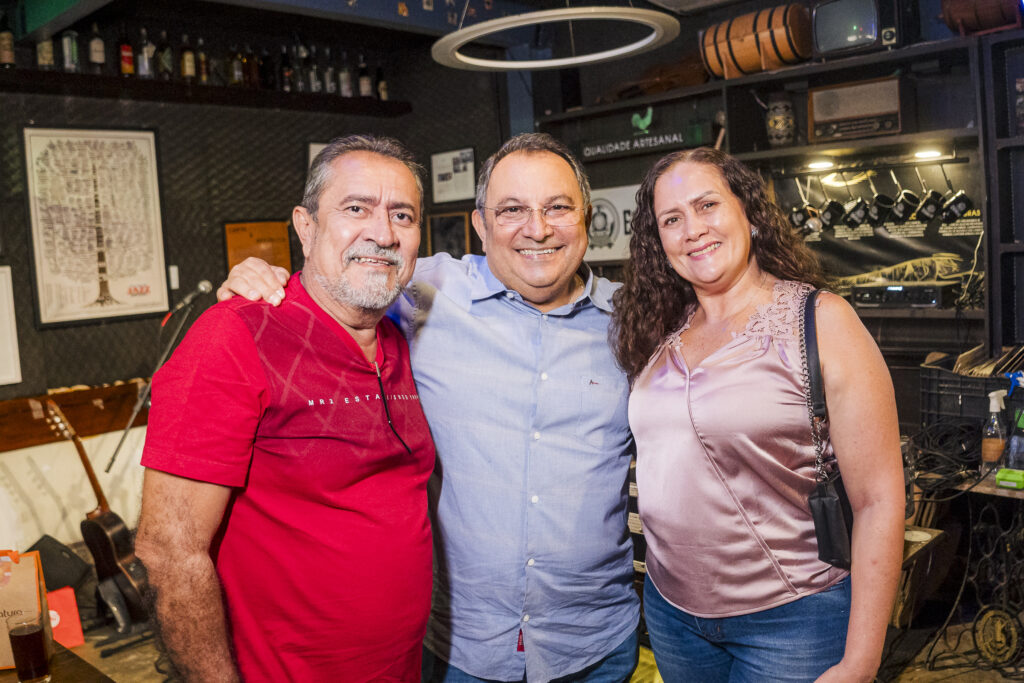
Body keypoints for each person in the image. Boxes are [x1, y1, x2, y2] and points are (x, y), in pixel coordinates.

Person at [220, 133, 640, 683]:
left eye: (557, 207)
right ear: (480, 225)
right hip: (461, 648)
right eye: (511, 210)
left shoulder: (634, 323)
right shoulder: (421, 293)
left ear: (586, 218)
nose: (537, 228)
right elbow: (339, 278)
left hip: (594, 644)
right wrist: (260, 277)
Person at [135, 135, 436, 682]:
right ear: (305, 226)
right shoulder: (234, 335)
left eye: (403, 215)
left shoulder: (403, 333)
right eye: (356, 208)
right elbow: (168, 551)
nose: (383, 233)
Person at [611, 147, 904, 682]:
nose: (692, 229)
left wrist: (862, 658)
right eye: (671, 220)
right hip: (672, 614)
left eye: (707, 206)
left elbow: (879, 500)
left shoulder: (820, 321)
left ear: (747, 210)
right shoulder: (655, 329)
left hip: (792, 619)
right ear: (659, 241)